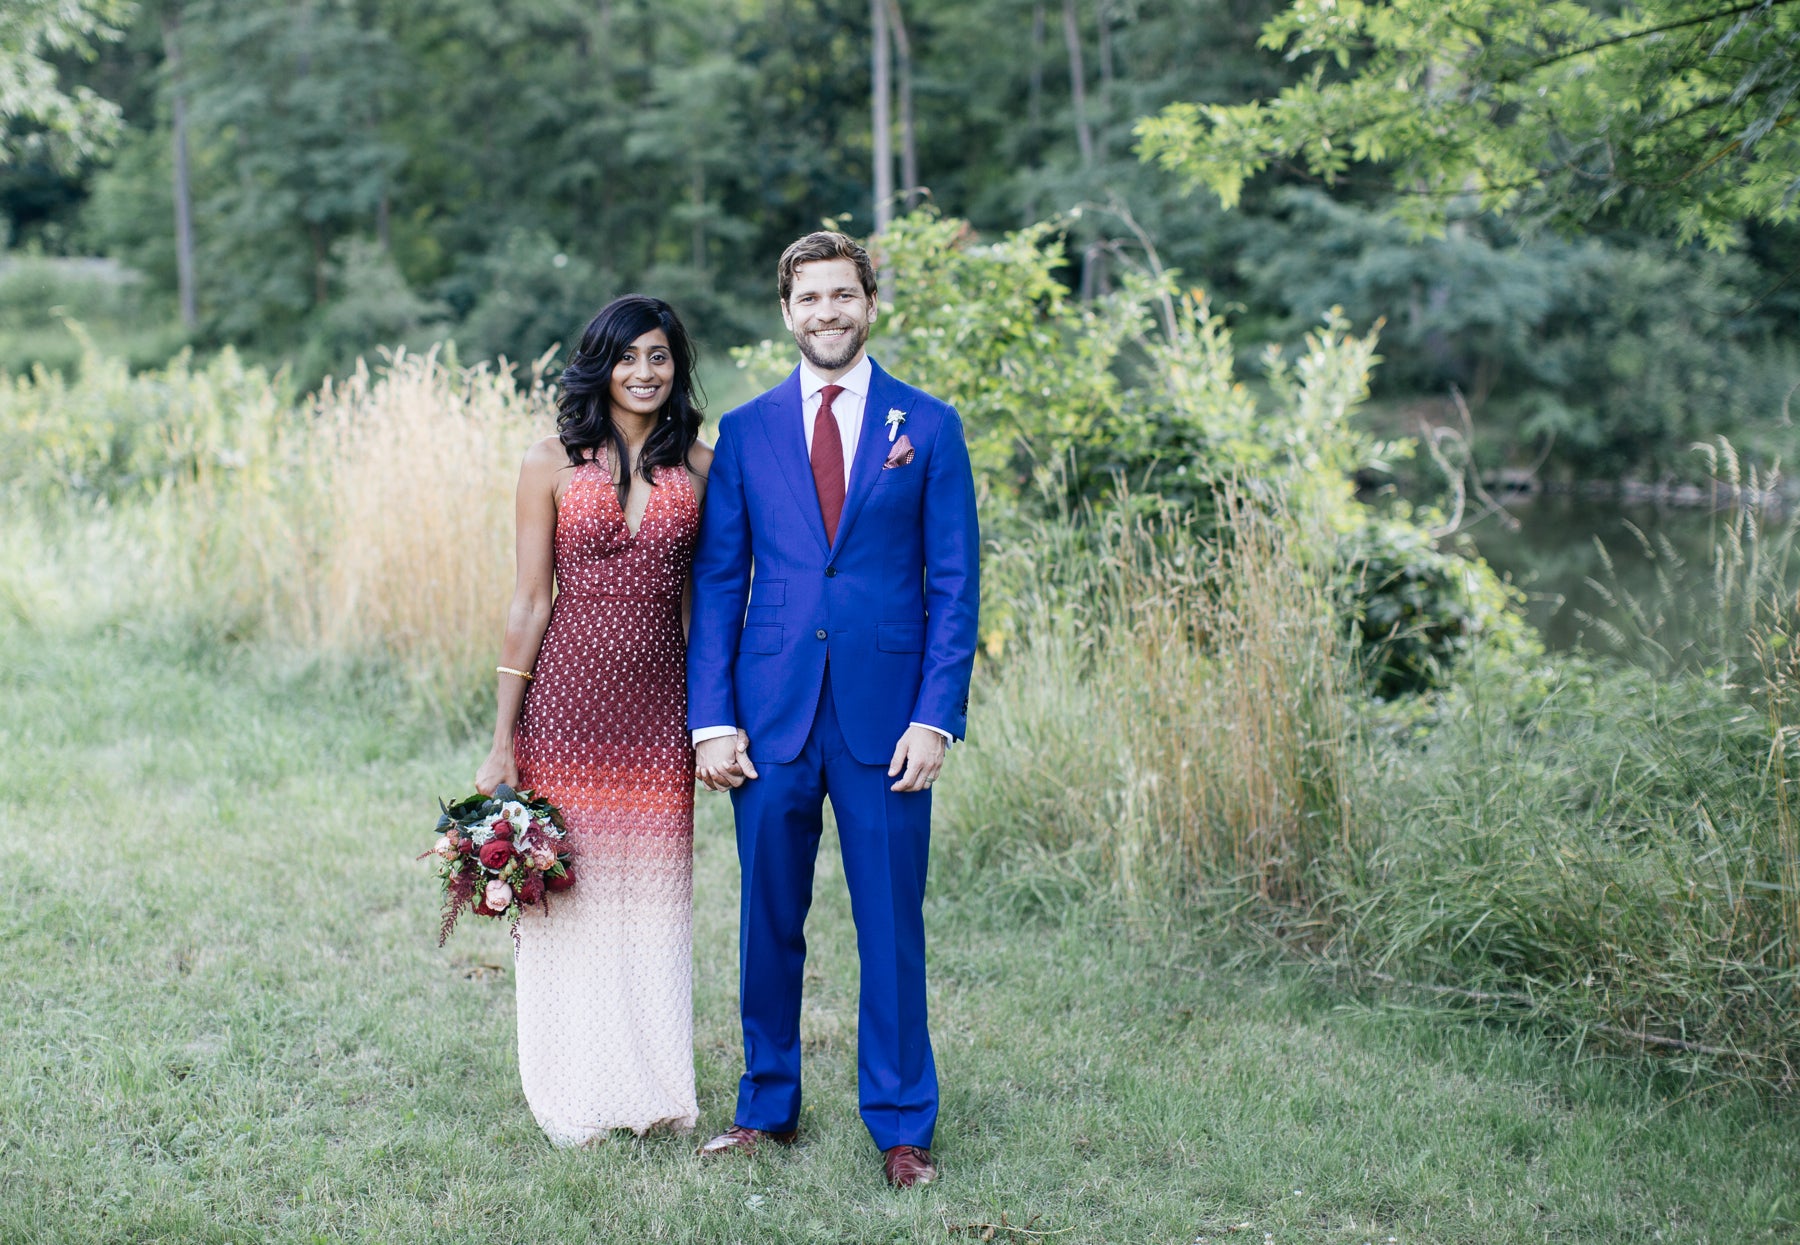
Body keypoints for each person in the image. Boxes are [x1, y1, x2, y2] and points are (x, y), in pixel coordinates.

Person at [686, 231, 980, 1187]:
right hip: (768, 719)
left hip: (887, 719)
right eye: (808, 297)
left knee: (891, 923)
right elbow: (722, 581)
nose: (827, 312)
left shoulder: (927, 427)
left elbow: (954, 583)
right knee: (768, 917)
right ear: (785, 311)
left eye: (843, 295)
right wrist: (711, 717)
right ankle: (766, 1107)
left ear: (869, 303)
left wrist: (936, 716)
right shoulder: (746, 431)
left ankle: (901, 1124)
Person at [475, 294, 715, 1144]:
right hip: (566, 706)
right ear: (599, 365)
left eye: (659, 356)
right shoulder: (549, 461)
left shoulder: (702, 465)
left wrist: (712, 719)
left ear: (677, 366)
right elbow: (528, 599)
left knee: (651, 897)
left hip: (658, 708)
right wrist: (503, 737)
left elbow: (705, 607)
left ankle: (651, 1087)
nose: (645, 373)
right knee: (568, 898)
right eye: (627, 357)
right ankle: (573, 1087)